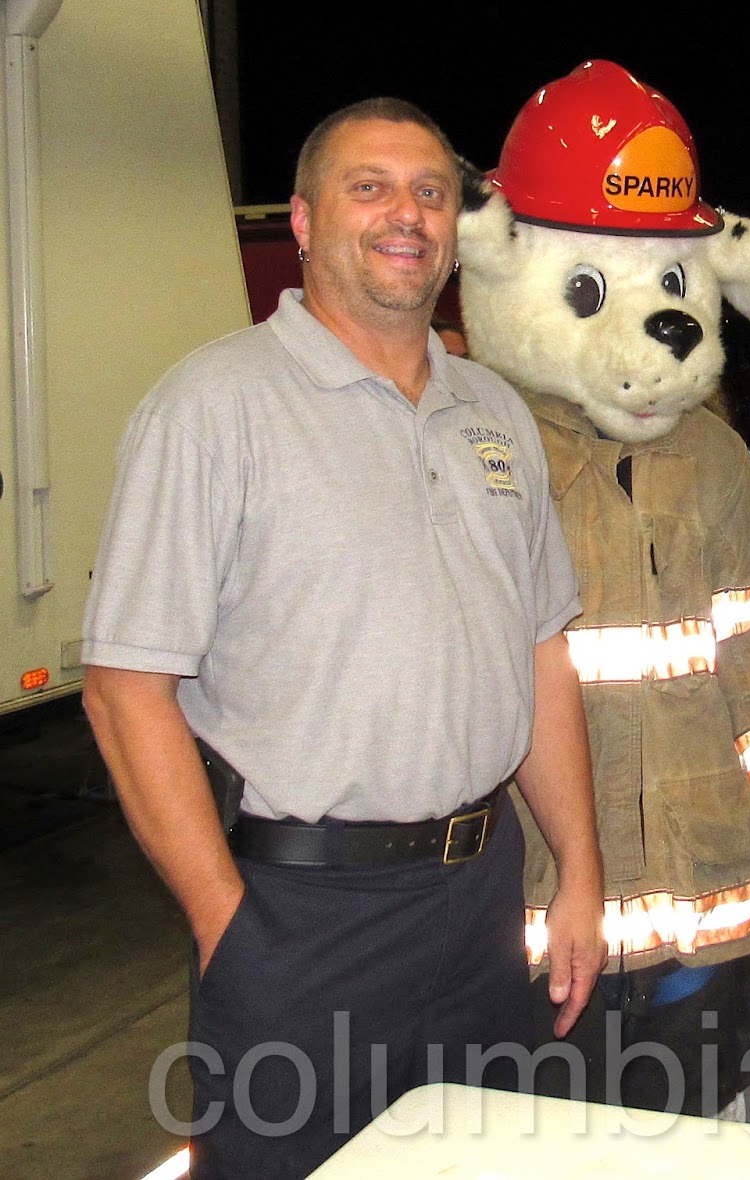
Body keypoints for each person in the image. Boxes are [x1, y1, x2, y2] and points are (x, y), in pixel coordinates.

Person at [79, 98, 605, 1180]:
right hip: (301, 919)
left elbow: (541, 654)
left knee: (476, 1166)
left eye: (431, 192)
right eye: (370, 188)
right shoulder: (212, 407)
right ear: (305, 222)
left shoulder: (495, 413)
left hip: (480, 901)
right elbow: (124, 689)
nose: (407, 214)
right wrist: (227, 924)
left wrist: (581, 874)